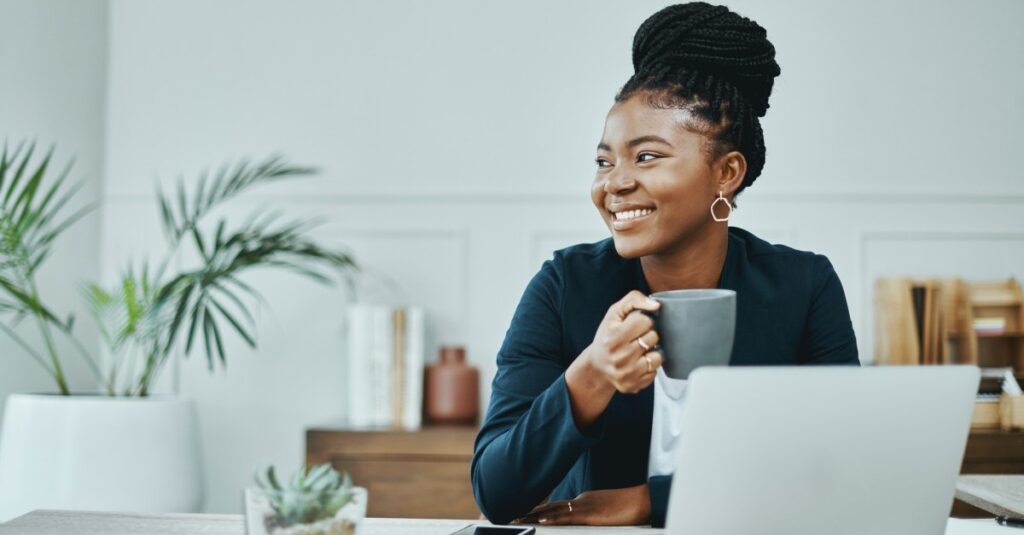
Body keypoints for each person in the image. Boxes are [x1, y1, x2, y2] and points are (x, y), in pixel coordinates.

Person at [470, 2, 860, 528]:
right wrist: (590, 375)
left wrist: (647, 501)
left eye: (646, 156)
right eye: (604, 161)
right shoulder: (563, 285)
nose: (615, 183)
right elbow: (495, 493)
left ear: (727, 172)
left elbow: (836, 468)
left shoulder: (803, 286)